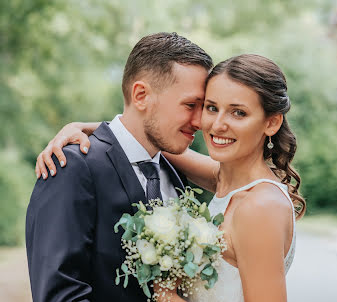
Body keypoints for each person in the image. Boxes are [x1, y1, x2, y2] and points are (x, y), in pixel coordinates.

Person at [35, 54, 306, 302]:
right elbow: (142, 138)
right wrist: (84, 127)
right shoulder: (226, 180)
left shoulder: (258, 207)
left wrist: (165, 296)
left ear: (271, 122)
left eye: (239, 112)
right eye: (210, 107)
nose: (214, 124)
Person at [26, 32, 213, 302]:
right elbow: (60, 295)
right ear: (141, 95)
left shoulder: (174, 175)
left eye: (204, 107)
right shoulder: (74, 167)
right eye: (190, 105)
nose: (200, 121)